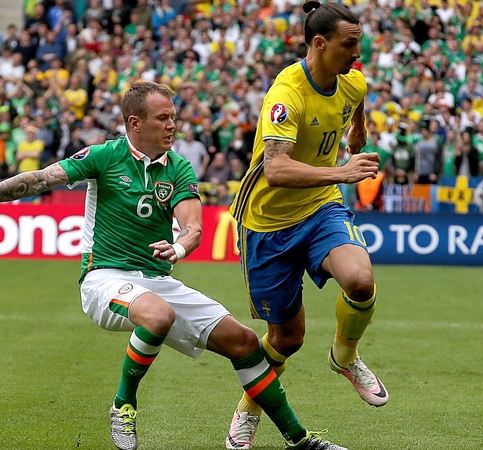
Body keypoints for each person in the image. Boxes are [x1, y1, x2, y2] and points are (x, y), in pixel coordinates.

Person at [0, 82, 345, 450]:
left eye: (173, 118)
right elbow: (39, 179)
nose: (172, 126)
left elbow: (194, 228)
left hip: (157, 281)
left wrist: (178, 249)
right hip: (104, 279)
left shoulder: (178, 167)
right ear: (135, 123)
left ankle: (299, 440)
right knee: (158, 314)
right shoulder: (104, 156)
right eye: (163, 118)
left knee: (244, 342)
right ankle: (123, 405)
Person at [226, 1, 387, 448]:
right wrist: (344, 170)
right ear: (319, 43)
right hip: (268, 223)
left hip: (320, 208)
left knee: (359, 280)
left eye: (359, 42)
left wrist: (358, 129)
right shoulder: (286, 96)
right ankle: (249, 407)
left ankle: (345, 357)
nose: (358, 53)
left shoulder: (352, 79)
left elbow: (356, 95)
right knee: (287, 338)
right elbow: (276, 170)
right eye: (349, 44)